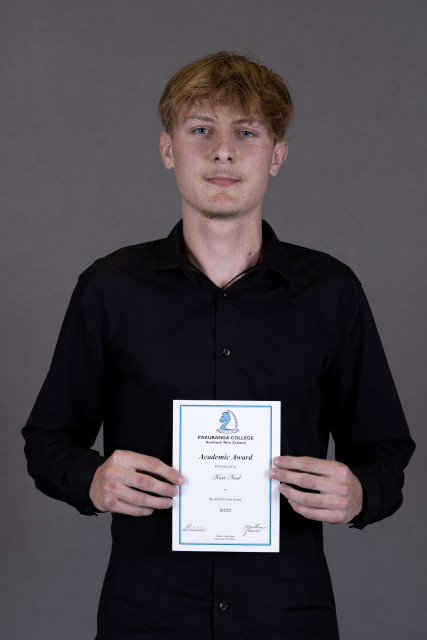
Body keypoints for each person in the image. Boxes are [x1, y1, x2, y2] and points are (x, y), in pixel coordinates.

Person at [22, 51, 415, 640]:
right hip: (147, 619)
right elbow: (48, 439)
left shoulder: (331, 293)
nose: (223, 152)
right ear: (168, 149)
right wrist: (91, 479)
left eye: (247, 132)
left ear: (277, 155)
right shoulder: (110, 288)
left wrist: (361, 493)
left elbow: (385, 448)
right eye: (201, 130)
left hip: (288, 619)